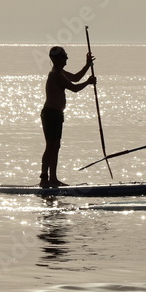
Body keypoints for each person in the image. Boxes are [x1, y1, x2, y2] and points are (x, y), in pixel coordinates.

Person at [39, 46, 95, 188]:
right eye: (64, 56)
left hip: (57, 114)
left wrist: (87, 65)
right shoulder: (55, 75)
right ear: (55, 59)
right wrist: (88, 83)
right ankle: (44, 178)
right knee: (50, 146)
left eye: (66, 55)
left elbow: (75, 78)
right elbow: (74, 88)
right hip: (50, 114)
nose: (66, 59)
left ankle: (53, 178)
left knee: (56, 146)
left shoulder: (60, 72)